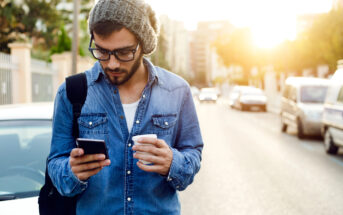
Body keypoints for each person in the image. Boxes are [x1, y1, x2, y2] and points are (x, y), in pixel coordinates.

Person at [47, 0, 203, 214]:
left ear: (143, 44)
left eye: (124, 52)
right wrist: (71, 172)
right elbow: (56, 164)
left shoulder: (177, 90)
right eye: (102, 51)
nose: (112, 63)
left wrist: (173, 163)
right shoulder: (71, 92)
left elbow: (192, 153)